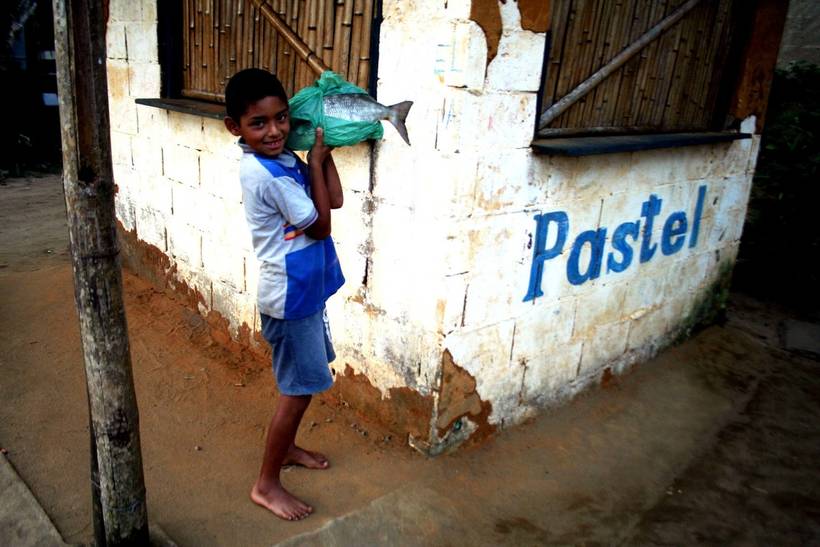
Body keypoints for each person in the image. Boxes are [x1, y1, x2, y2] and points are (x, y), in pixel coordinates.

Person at [223, 68, 345, 521]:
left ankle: (288, 448)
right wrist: (312, 163)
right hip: (290, 299)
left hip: (306, 290)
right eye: (258, 123)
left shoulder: (287, 159)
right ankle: (266, 483)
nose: (274, 131)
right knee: (296, 391)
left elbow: (334, 199)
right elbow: (321, 224)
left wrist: (323, 153)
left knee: (303, 384)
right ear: (235, 127)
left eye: (281, 119)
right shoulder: (264, 173)